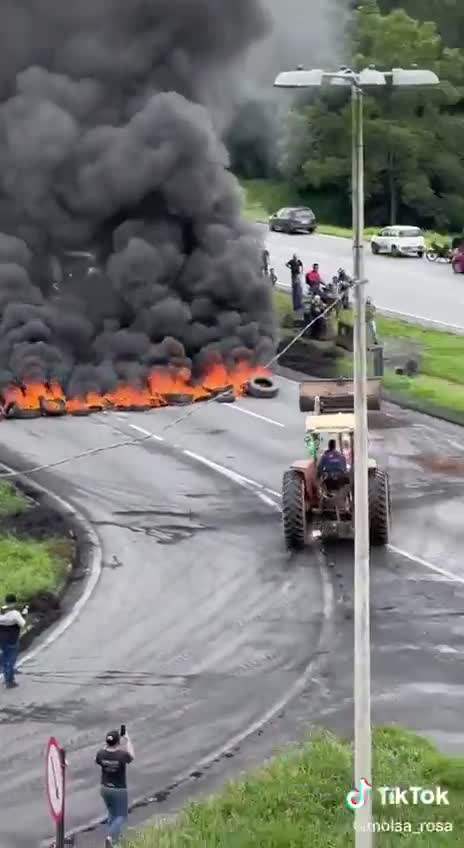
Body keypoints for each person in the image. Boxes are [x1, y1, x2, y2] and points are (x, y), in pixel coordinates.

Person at [96, 728, 135, 846]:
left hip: (105, 788)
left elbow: (96, 760)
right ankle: (111, 838)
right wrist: (127, 740)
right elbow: (132, 756)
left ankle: (115, 840)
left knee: (112, 814)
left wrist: (106, 747)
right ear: (118, 742)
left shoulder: (101, 753)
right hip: (118, 789)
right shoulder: (121, 755)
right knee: (121, 816)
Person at [0, 594, 27, 688]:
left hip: (2, 639)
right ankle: (9, 680)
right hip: (12, 639)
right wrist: (24, 613)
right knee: (11, 659)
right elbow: (23, 623)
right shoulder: (15, 613)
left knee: (4, 655)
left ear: (5, 601)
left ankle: (4, 670)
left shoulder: (2, 610)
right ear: (14, 602)